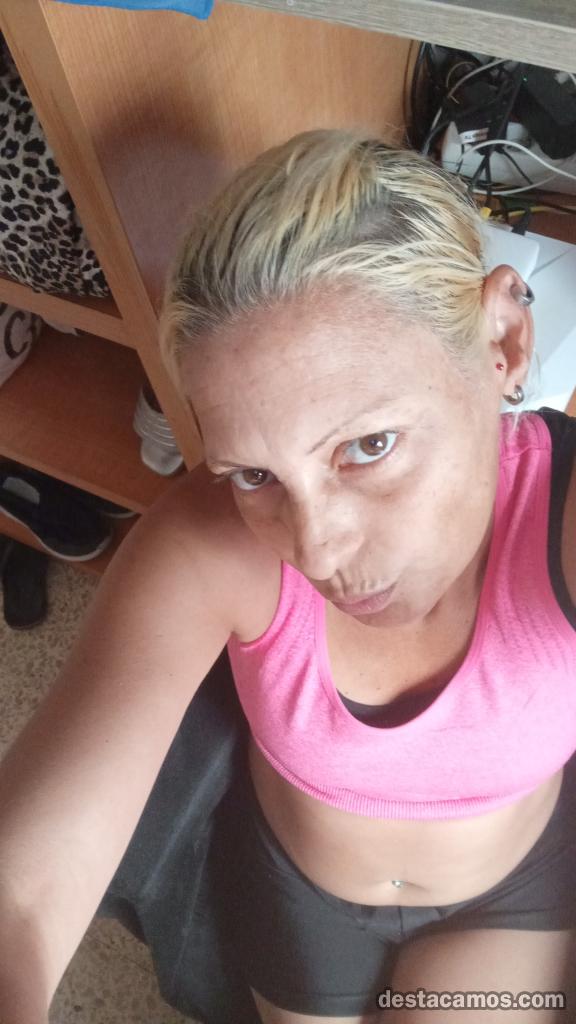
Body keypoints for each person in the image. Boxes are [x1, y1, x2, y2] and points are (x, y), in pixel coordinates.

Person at [1, 128, 576, 1024]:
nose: (316, 551)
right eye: (254, 475)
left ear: (502, 340)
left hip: (504, 902)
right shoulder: (207, 542)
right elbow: (23, 893)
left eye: (369, 446)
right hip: (300, 904)